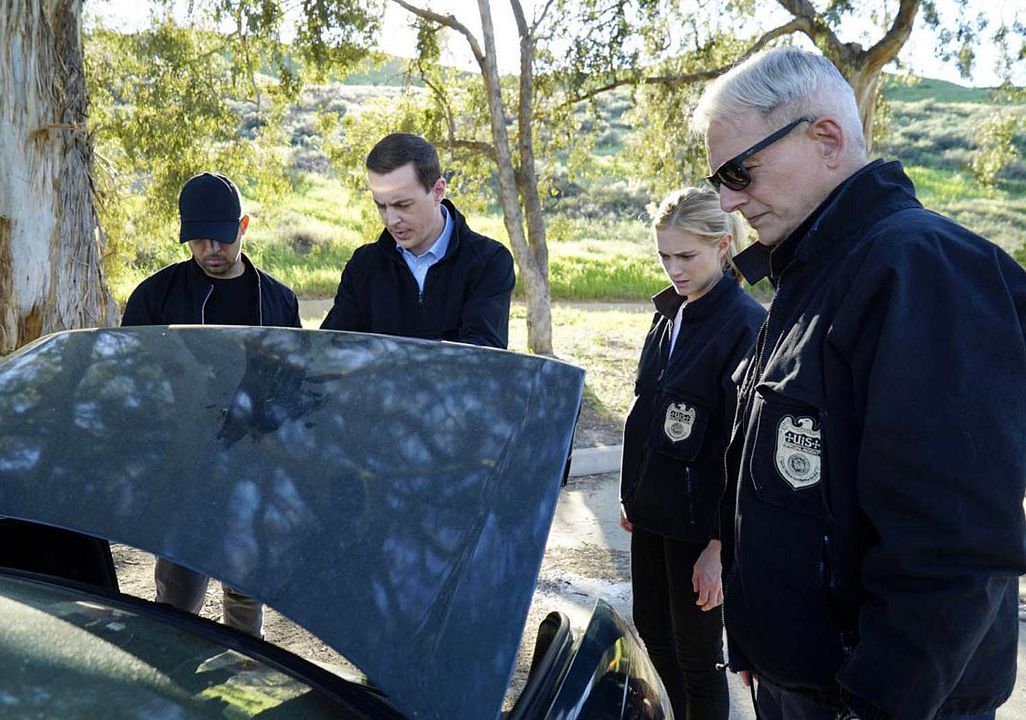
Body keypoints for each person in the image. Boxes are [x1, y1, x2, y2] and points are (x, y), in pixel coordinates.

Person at [691, 47, 1026, 720]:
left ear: (826, 137)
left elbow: (952, 551)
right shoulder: (813, 275)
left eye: (739, 171)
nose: (727, 200)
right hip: (802, 690)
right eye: (717, 179)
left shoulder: (922, 270)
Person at [122, 171, 302, 636]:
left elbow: (292, 389)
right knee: (177, 601)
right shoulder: (153, 298)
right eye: (198, 241)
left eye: (220, 239)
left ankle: (245, 681)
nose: (210, 251)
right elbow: (134, 383)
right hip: (182, 467)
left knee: (245, 595)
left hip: (253, 466)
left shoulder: (279, 301)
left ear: (242, 226)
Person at [619, 188, 765, 720]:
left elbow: (742, 443)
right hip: (652, 514)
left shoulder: (745, 325)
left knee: (699, 657)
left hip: (699, 526)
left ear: (724, 246)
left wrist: (718, 546)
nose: (674, 269)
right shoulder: (669, 314)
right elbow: (648, 412)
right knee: (654, 631)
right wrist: (632, 493)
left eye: (687, 256)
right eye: (665, 256)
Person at [320, 133, 515, 348]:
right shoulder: (363, 265)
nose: (391, 220)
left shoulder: (489, 262)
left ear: (438, 191)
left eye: (403, 205)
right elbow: (329, 350)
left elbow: (483, 360)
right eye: (381, 206)